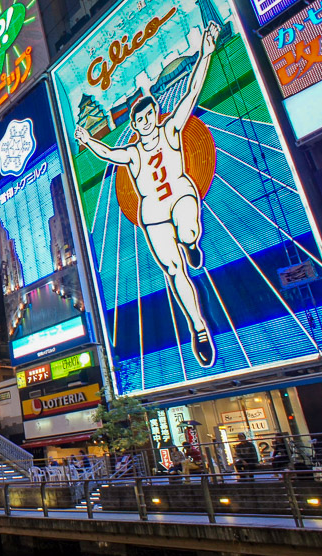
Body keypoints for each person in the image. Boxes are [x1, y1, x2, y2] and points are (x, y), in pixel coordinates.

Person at [74, 20, 222, 368]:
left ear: (154, 116)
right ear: (135, 124)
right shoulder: (133, 152)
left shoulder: (171, 129)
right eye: (137, 120)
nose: (143, 123)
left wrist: (206, 52)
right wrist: (86, 140)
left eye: (147, 116)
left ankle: (190, 241)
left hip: (180, 194)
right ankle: (199, 327)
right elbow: (108, 154)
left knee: (187, 227)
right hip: (153, 211)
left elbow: (191, 93)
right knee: (173, 270)